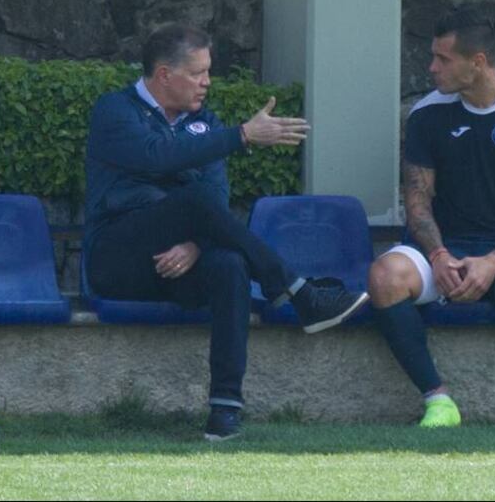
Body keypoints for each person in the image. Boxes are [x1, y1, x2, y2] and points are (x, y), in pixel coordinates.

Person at [84, 22, 369, 441]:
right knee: (194, 199)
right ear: (165, 74)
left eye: (208, 71)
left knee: (230, 264)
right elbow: (157, 157)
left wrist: (197, 244)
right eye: (197, 73)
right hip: (119, 258)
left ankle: (224, 411)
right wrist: (241, 136)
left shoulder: (205, 123)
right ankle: (300, 292)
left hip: (180, 263)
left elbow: (215, 195)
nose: (207, 82)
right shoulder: (115, 111)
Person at [369, 8, 495, 430]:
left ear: (477, 62)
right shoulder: (427, 114)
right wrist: (439, 256)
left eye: (443, 59)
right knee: (385, 275)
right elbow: (417, 200)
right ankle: (438, 401)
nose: (432, 67)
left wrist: (494, 261)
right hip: (444, 250)